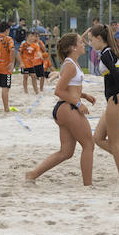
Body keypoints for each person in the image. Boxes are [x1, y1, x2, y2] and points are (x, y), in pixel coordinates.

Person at [26, 33, 96, 186]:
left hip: (64, 108)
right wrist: (78, 103)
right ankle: (88, 185)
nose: (83, 43)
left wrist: (83, 95)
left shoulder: (71, 63)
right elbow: (59, 90)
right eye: (80, 42)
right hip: (68, 108)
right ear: (73, 47)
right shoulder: (70, 64)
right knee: (89, 145)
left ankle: (32, 174)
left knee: (66, 152)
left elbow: (70, 89)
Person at [88, 23, 119, 182]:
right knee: (98, 138)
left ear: (99, 38)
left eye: (91, 40)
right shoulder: (112, 52)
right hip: (117, 101)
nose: (90, 43)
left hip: (117, 100)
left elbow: (117, 74)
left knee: (115, 144)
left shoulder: (106, 54)